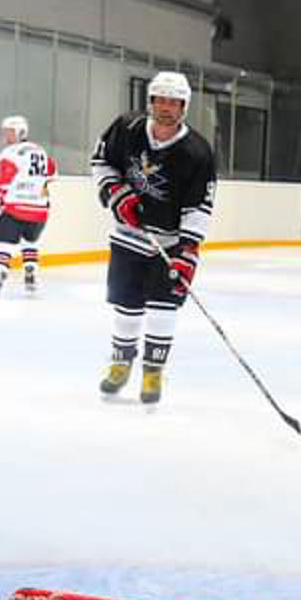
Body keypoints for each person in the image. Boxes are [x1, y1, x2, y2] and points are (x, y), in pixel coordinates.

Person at [90, 71, 216, 404]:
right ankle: (121, 364)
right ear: (151, 102)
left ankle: (152, 371)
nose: (166, 107)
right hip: (128, 236)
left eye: (174, 102)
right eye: (161, 100)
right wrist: (116, 193)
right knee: (126, 305)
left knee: (164, 308)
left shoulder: (197, 152)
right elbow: (101, 162)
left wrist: (188, 251)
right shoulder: (127, 128)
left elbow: (199, 206)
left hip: (170, 242)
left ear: (184, 107)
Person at [0, 115, 57, 295]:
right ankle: (31, 276)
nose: (6, 136)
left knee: (4, 245)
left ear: (20, 132)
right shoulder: (40, 151)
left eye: (9, 132)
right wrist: (36, 187)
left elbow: (4, 181)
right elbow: (52, 173)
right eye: (5, 132)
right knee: (29, 242)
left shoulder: (9, 153)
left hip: (17, 208)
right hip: (40, 211)